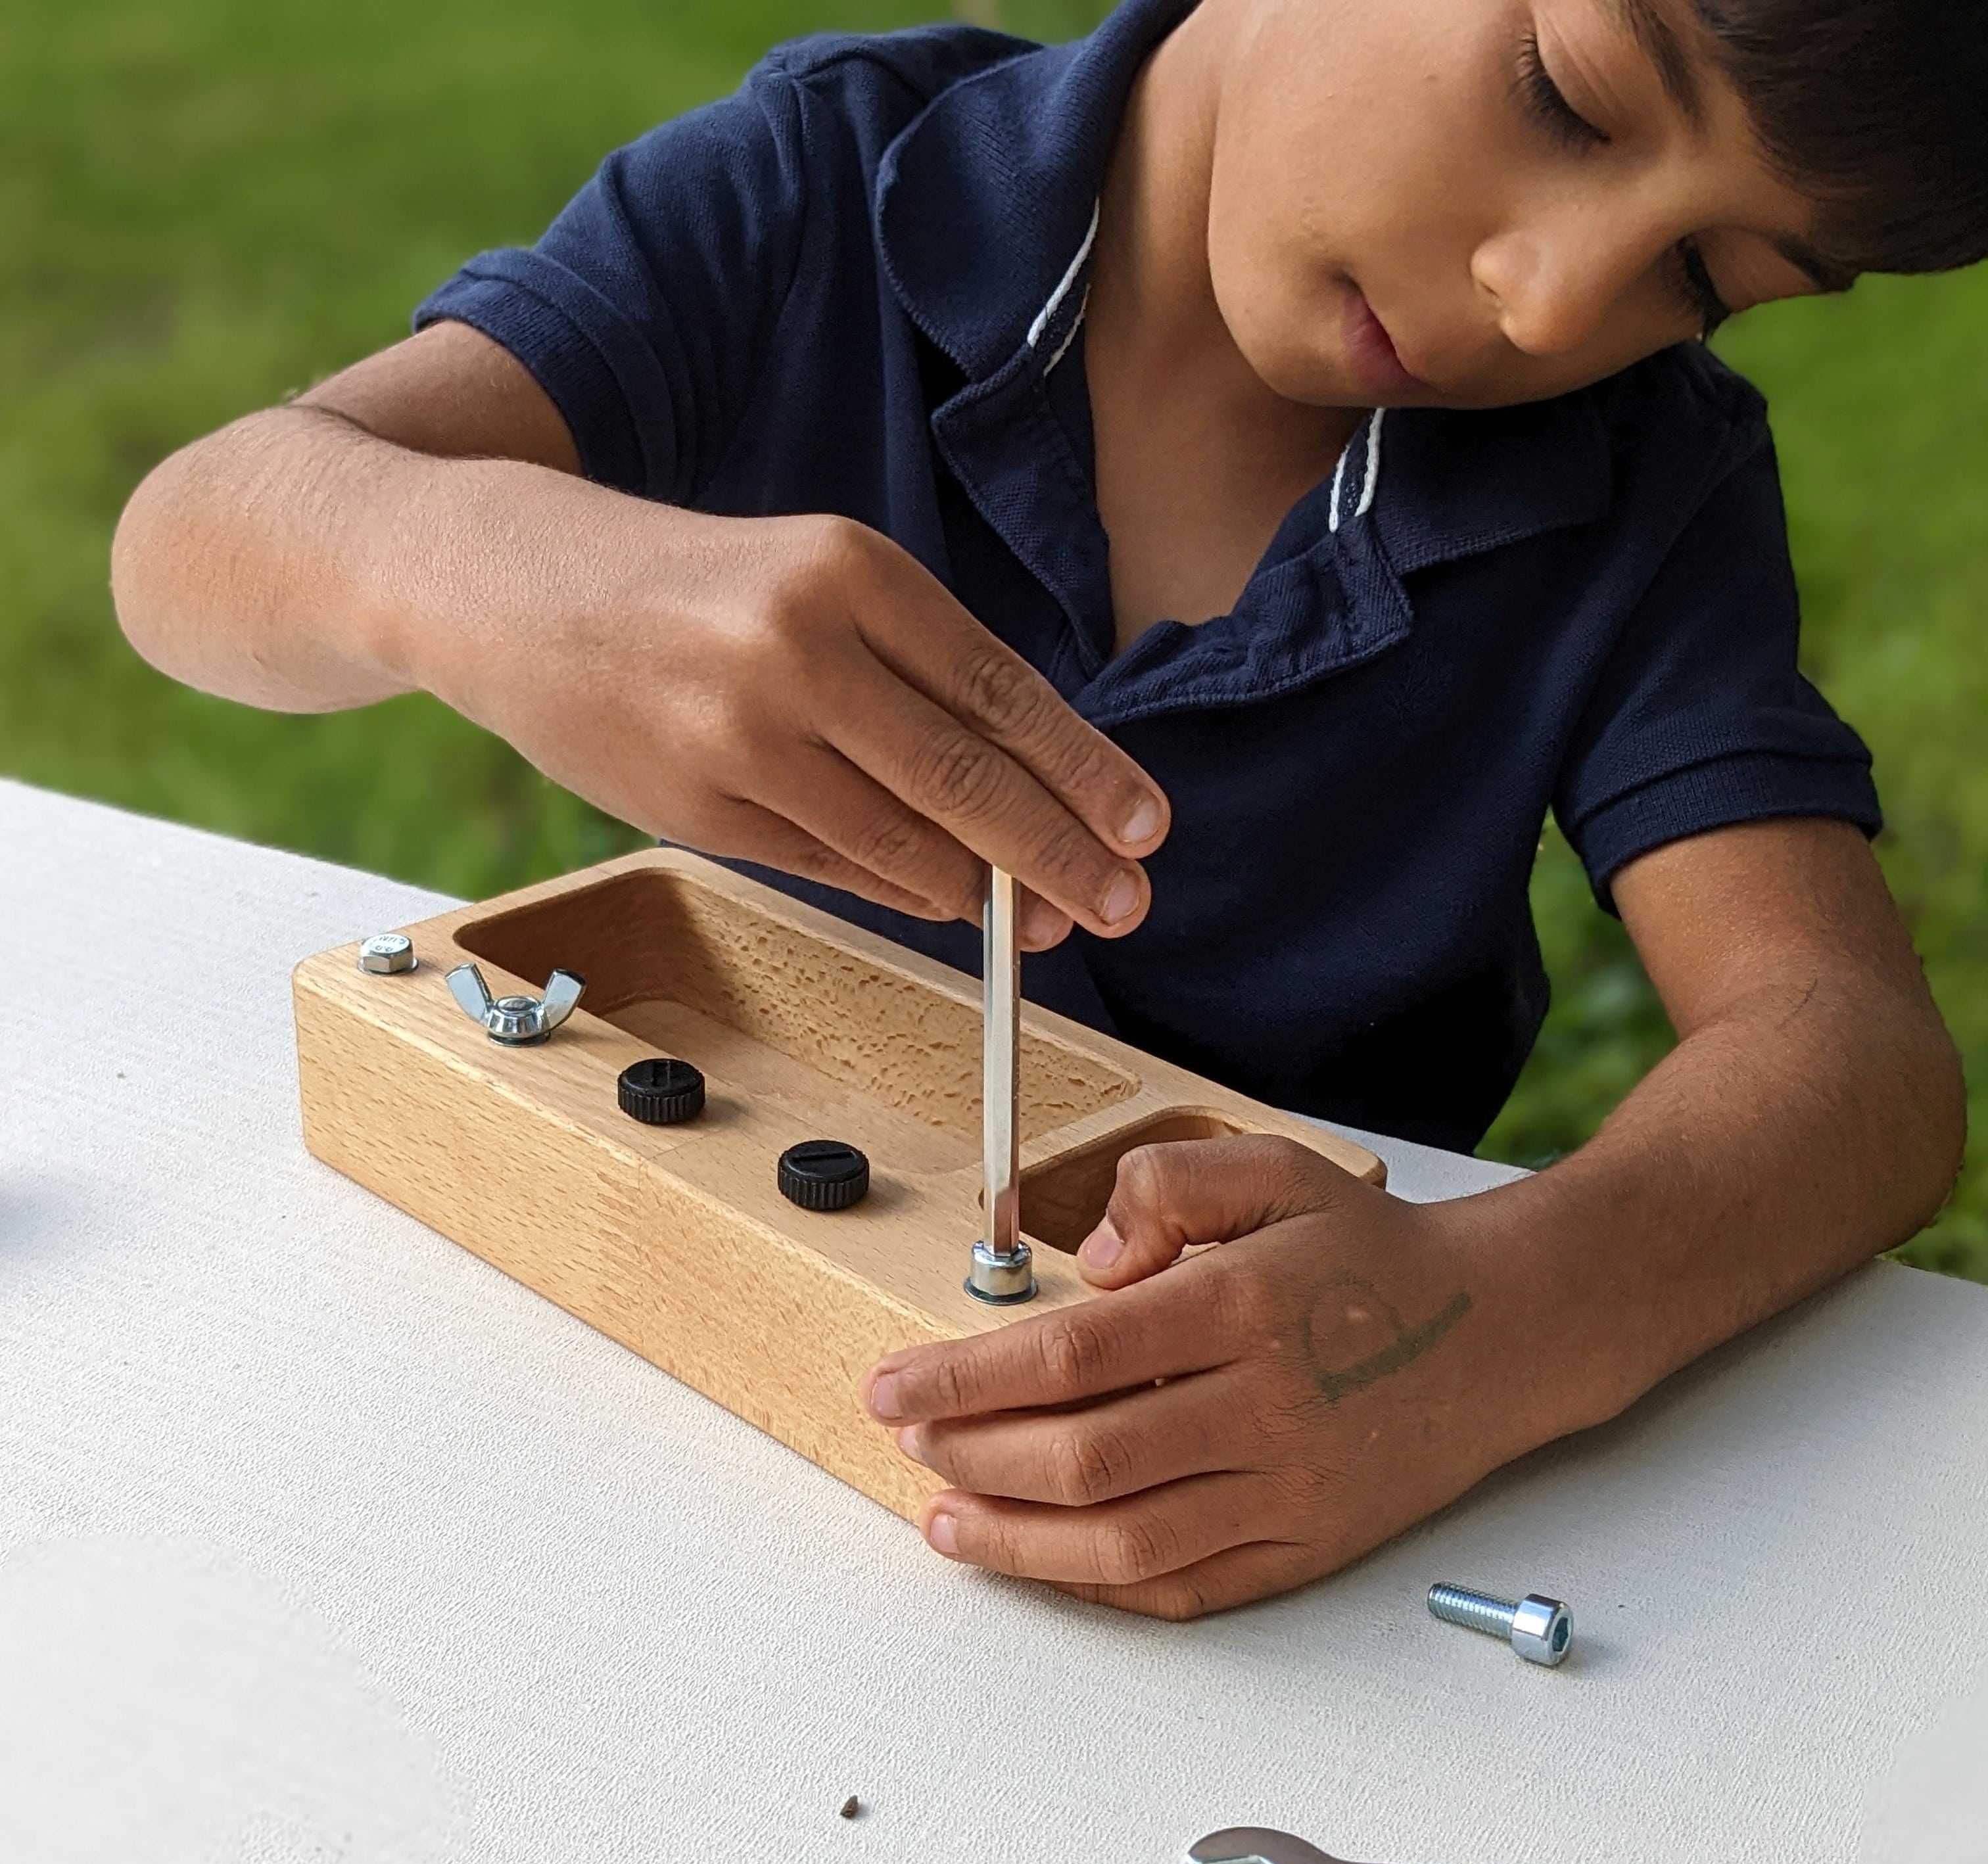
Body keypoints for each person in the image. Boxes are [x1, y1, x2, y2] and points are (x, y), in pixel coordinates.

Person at [110, 0, 1978, 1618]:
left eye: (1705, 278)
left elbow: (1851, 1058)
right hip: (638, 1421)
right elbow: (190, 540)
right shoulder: (821, 193)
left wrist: (1488, 1330)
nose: (1552, 295)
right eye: (1567, 92)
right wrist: (462, 559)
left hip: (1274, 1537)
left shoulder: (1645, 488)